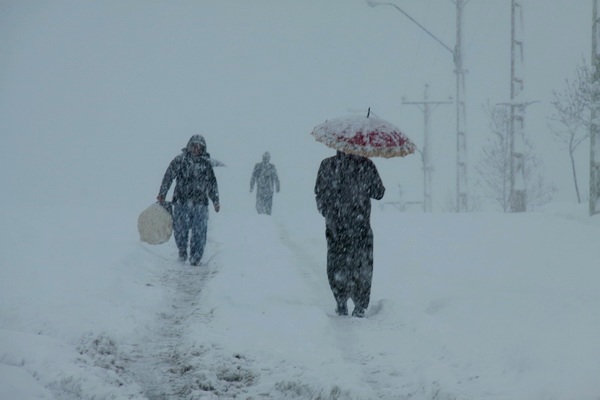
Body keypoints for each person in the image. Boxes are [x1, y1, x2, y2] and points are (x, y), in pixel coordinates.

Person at [314, 151, 385, 317]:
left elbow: (319, 192)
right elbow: (379, 193)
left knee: (337, 263)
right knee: (362, 264)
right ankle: (360, 305)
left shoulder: (327, 164)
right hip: (360, 226)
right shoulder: (366, 165)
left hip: (336, 226)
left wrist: (327, 211)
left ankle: (341, 301)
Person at [157, 134, 220, 266]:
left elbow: (212, 184)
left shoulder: (206, 164)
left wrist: (215, 200)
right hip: (181, 201)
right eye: (194, 146)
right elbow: (168, 176)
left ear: (203, 148)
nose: (197, 149)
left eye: (200, 147)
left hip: (200, 204)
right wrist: (162, 193)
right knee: (180, 229)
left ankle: (196, 257)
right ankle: (182, 250)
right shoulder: (180, 160)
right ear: (189, 146)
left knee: (200, 232)